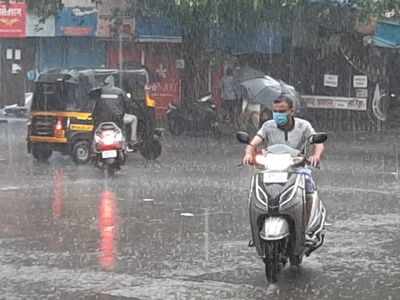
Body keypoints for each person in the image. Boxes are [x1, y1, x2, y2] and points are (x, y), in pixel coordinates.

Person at [242, 95, 325, 235]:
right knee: (255, 187)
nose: (278, 114)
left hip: (297, 167)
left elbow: (318, 143)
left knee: (309, 185)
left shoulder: (303, 126)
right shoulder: (268, 126)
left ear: (291, 111)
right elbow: (253, 143)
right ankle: (257, 228)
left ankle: (306, 224)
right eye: (275, 111)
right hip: (271, 168)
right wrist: (248, 154)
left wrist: (315, 156)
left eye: (282, 111)